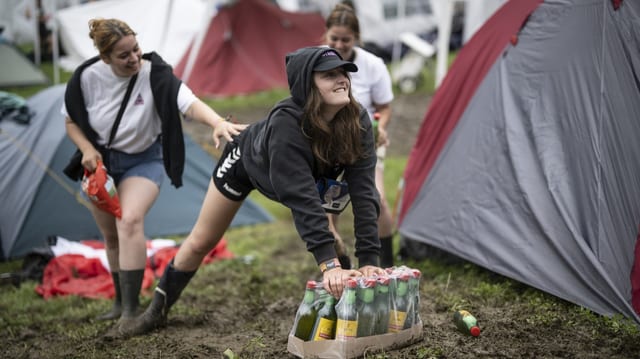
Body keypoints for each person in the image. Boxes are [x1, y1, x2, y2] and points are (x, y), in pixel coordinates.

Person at [118, 46, 385, 338]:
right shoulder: (287, 124)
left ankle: (349, 300)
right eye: (329, 75)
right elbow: (302, 198)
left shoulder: (357, 119)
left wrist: (370, 260)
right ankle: (156, 310)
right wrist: (328, 267)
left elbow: (363, 192)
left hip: (310, 174)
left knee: (331, 239)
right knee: (200, 241)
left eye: (343, 72)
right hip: (246, 162)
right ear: (307, 85)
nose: (342, 79)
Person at [61, 18, 246, 333]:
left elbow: (188, 102)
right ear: (105, 58)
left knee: (130, 220)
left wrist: (216, 121)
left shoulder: (155, 73)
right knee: (110, 236)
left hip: (144, 159)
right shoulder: (86, 78)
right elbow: (71, 120)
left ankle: (131, 313)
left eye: (136, 49)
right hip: (101, 165)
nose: (134, 58)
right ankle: (120, 302)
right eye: (123, 55)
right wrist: (87, 149)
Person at [324, 3, 396, 269]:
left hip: (367, 141)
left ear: (356, 38)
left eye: (346, 39)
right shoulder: (316, 62)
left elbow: (385, 107)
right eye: (334, 38)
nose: (340, 44)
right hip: (329, 144)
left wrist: (382, 127)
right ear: (326, 36)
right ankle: (339, 266)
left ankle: (386, 263)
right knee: (329, 207)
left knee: (376, 199)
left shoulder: (372, 64)